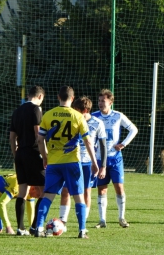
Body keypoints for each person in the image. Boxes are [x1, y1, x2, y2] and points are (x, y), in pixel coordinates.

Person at [35, 86, 99, 239]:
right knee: (78, 196)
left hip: (54, 163)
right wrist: (94, 163)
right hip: (72, 162)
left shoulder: (48, 115)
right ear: (72, 98)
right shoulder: (78, 116)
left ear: (58, 97)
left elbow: (40, 139)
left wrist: (44, 156)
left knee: (48, 196)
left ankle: (38, 228)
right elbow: (88, 142)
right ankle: (82, 230)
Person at [91, 88, 138, 228]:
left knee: (119, 187)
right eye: (99, 101)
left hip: (115, 158)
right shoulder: (94, 116)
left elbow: (133, 129)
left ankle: (122, 217)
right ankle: (102, 220)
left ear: (111, 102)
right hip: (99, 159)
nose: (100, 103)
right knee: (102, 189)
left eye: (103, 101)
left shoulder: (118, 116)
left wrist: (123, 144)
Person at [59, 96, 107, 231]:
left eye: (77, 110)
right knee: (66, 191)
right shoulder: (71, 120)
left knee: (86, 192)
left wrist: (102, 166)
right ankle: (63, 221)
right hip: (70, 161)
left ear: (85, 110)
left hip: (87, 164)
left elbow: (102, 146)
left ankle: (83, 223)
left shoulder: (98, 123)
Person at [9, 85, 46, 236]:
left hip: (20, 154)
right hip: (33, 153)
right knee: (44, 190)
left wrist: (15, 155)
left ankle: (20, 228)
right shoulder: (36, 109)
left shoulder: (17, 111)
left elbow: (12, 137)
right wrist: (45, 155)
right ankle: (35, 226)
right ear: (40, 97)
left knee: (22, 191)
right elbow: (38, 135)